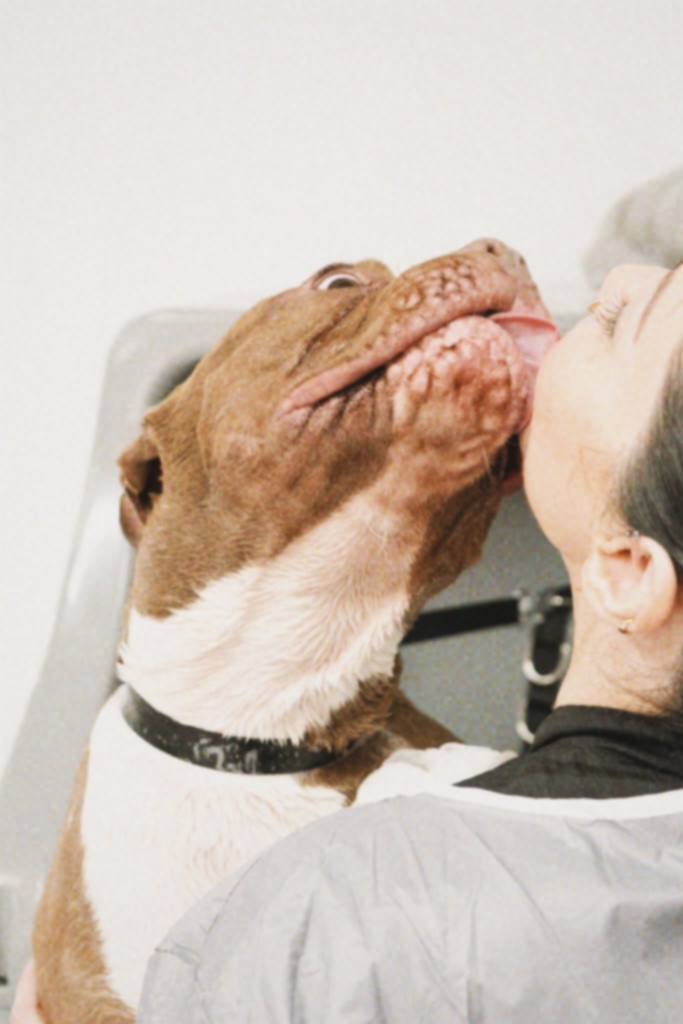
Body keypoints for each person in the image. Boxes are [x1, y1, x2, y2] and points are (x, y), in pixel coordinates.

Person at [12, 263, 683, 1023]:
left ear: (630, 570)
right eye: (340, 289)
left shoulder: (330, 917)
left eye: (621, 321)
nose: (619, 272)